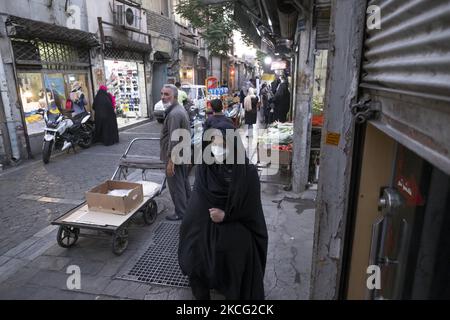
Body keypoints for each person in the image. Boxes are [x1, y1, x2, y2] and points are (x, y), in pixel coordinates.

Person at [178, 123, 268, 300]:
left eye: (223, 145)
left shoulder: (246, 172)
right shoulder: (205, 167)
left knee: (235, 256)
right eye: (214, 144)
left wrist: (227, 215)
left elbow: (251, 209)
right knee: (195, 253)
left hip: (235, 224)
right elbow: (198, 201)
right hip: (204, 223)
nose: (218, 149)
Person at [160, 84, 191, 221]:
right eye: (162, 94)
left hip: (175, 155)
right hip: (181, 153)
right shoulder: (177, 110)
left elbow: (174, 138)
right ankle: (189, 207)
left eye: (167, 94)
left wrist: (171, 161)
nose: (163, 97)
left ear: (175, 96)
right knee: (183, 183)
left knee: (176, 186)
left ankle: (181, 213)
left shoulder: (174, 114)